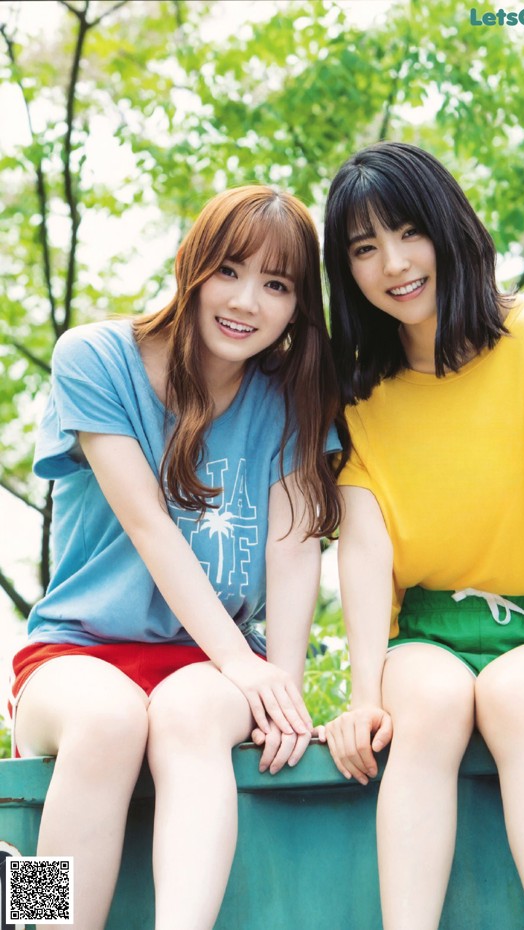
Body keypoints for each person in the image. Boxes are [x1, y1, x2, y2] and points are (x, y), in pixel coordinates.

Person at [318, 141, 524, 930]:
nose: (393, 263)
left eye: (405, 231)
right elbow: (362, 547)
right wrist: (364, 696)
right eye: (363, 249)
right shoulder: (354, 385)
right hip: (420, 628)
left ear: (448, 225)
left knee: (519, 703)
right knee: (426, 709)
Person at [9, 185, 341, 930]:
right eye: (229, 270)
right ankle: (37, 921)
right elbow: (150, 527)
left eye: (277, 285)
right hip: (77, 652)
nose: (247, 301)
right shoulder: (95, 358)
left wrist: (279, 686)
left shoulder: (290, 398)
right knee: (110, 721)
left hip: (207, 665)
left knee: (188, 718)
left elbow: (293, 548)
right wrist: (246, 665)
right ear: (192, 266)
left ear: (297, 307)